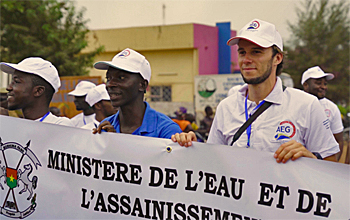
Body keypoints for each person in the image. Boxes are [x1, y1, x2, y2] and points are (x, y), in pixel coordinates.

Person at [172, 19, 339, 163]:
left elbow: (332, 164)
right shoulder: (226, 107)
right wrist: (190, 147)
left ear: (277, 58)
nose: (246, 60)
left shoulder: (306, 105)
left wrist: (310, 158)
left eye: (256, 52)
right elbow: (212, 163)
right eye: (242, 52)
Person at [93, 48, 182, 138]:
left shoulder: (166, 130)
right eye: (108, 78)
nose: (110, 84)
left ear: (142, 85)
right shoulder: (105, 128)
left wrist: (118, 143)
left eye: (121, 78)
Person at [0, 57, 73, 126]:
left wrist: (6, 124)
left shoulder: (60, 125)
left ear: (38, 91)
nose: (8, 87)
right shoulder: (18, 125)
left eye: (16, 82)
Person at [301, 66, 344, 160]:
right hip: (297, 163)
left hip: (321, 166)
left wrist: (332, 167)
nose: (323, 87)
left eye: (325, 83)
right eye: (318, 83)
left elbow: (339, 141)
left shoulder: (332, 108)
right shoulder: (295, 103)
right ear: (305, 85)